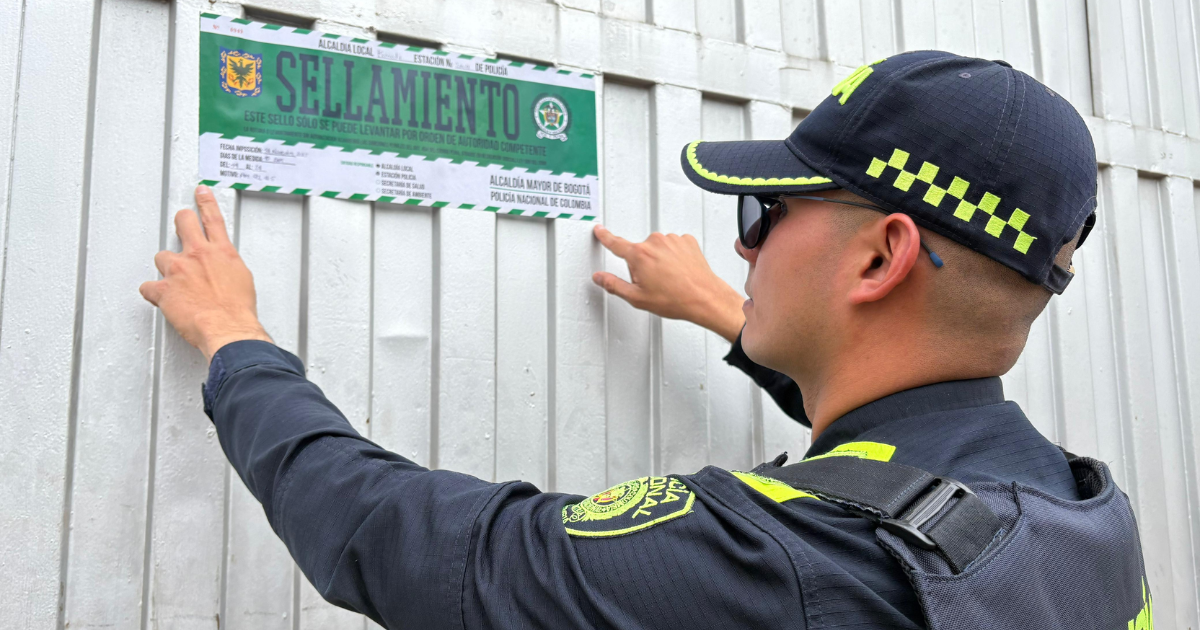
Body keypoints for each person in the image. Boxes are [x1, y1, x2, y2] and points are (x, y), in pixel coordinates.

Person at [141, 51, 1152, 629]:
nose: (741, 241)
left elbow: (396, 540)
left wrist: (236, 337)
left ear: (880, 258)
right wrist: (733, 315)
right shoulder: (1082, 514)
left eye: (768, 210)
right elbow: (894, 466)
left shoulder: (774, 560)